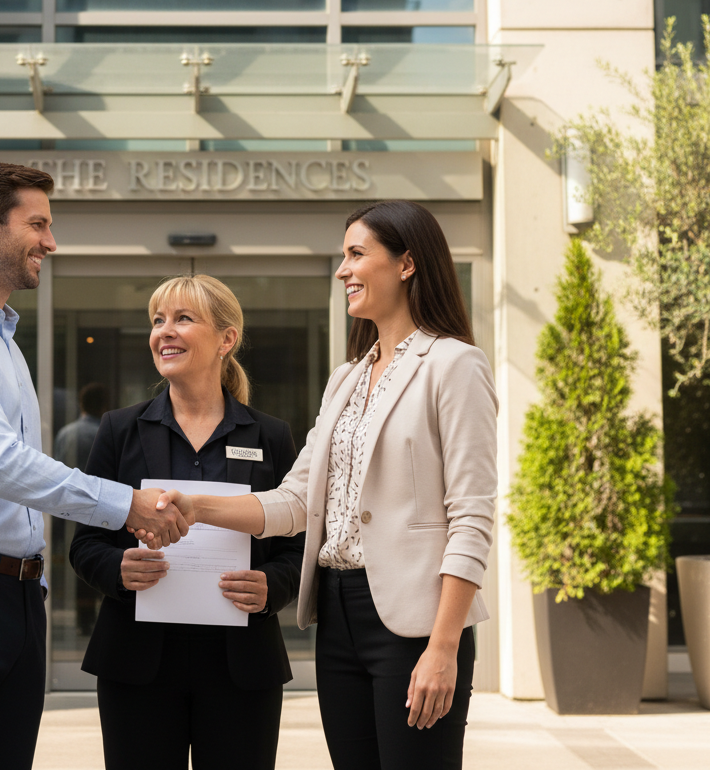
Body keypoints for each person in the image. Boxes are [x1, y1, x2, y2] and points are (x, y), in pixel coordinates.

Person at [148, 201, 498, 770]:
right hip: (337, 615)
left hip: (415, 621)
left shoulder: (454, 365)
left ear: (407, 263)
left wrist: (444, 644)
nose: (343, 270)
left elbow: (473, 515)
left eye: (357, 254)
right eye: (343, 257)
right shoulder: (347, 376)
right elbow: (295, 501)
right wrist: (195, 505)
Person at [0, 161, 189, 770]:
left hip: (17, 596)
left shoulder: (1, 341)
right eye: (39, 224)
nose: (51, 241)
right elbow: (1, 466)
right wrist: (125, 502)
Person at [69, 274, 305, 770]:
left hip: (242, 663)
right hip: (138, 663)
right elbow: (85, 542)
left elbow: (299, 544)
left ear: (226, 339)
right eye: (157, 321)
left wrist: (272, 586)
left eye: (182, 319)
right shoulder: (119, 430)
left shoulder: (271, 436)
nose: (164, 331)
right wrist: (117, 570)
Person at [53, 382, 110, 635]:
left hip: (69, 511)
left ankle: (83, 620)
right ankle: (99, 616)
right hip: (106, 510)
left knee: (77, 563)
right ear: (105, 405)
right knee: (102, 561)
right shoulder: (108, 432)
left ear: (81, 404)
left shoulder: (66, 433)